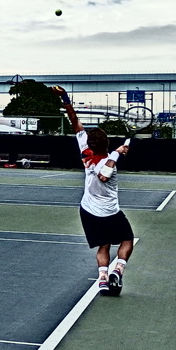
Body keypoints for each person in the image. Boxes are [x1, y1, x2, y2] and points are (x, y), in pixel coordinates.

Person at [53, 85, 134, 297]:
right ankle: (118, 270)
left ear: (89, 143)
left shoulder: (84, 150)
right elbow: (104, 175)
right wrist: (117, 153)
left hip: (88, 211)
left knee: (103, 247)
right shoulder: (108, 163)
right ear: (107, 144)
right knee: (127, 240)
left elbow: (74, 121)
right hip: (108, 212)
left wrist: (66, 98)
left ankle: (103, 278)